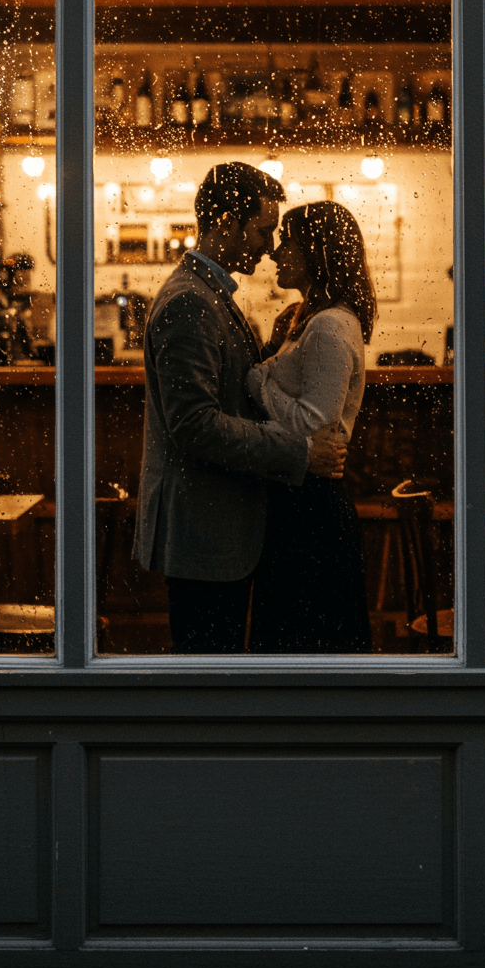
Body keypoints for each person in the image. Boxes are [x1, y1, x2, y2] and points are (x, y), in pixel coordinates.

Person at [133, 162, 348, 654]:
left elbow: (224, 394)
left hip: (215, 531)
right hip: (204, 536)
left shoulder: (207, 294)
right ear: (226, 222)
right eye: (262, 229)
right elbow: (195, 425)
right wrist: (300, 452)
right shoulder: (191, 301)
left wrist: (267, 353)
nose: (270, 245)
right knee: (207, 690)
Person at [247, 201, 376, 654]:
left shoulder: (329, 326)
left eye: (288, 242)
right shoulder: (303, 318)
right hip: (296, 501)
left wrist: (258, 380)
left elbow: (312, 427)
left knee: (308, 647)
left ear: (315, 251)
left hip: (313, 511)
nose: (276, 253)